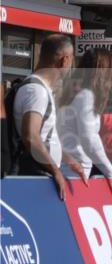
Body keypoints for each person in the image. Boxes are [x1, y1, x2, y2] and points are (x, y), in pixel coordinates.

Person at [11, 34, 88, 199]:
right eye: (72, 61)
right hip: (36, 176)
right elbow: (30, 136)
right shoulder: (36, 90)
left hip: (41, 174)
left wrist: (66, 158)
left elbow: (44, 136)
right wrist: (56, 170)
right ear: (64, 60)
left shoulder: (42, 89)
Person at [57, 48, 112, 200]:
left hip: (68, 165)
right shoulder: (87, 96)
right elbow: (89, 139)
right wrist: (109, 171)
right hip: (74, 170)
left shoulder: (74, 92)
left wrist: (108, 168)